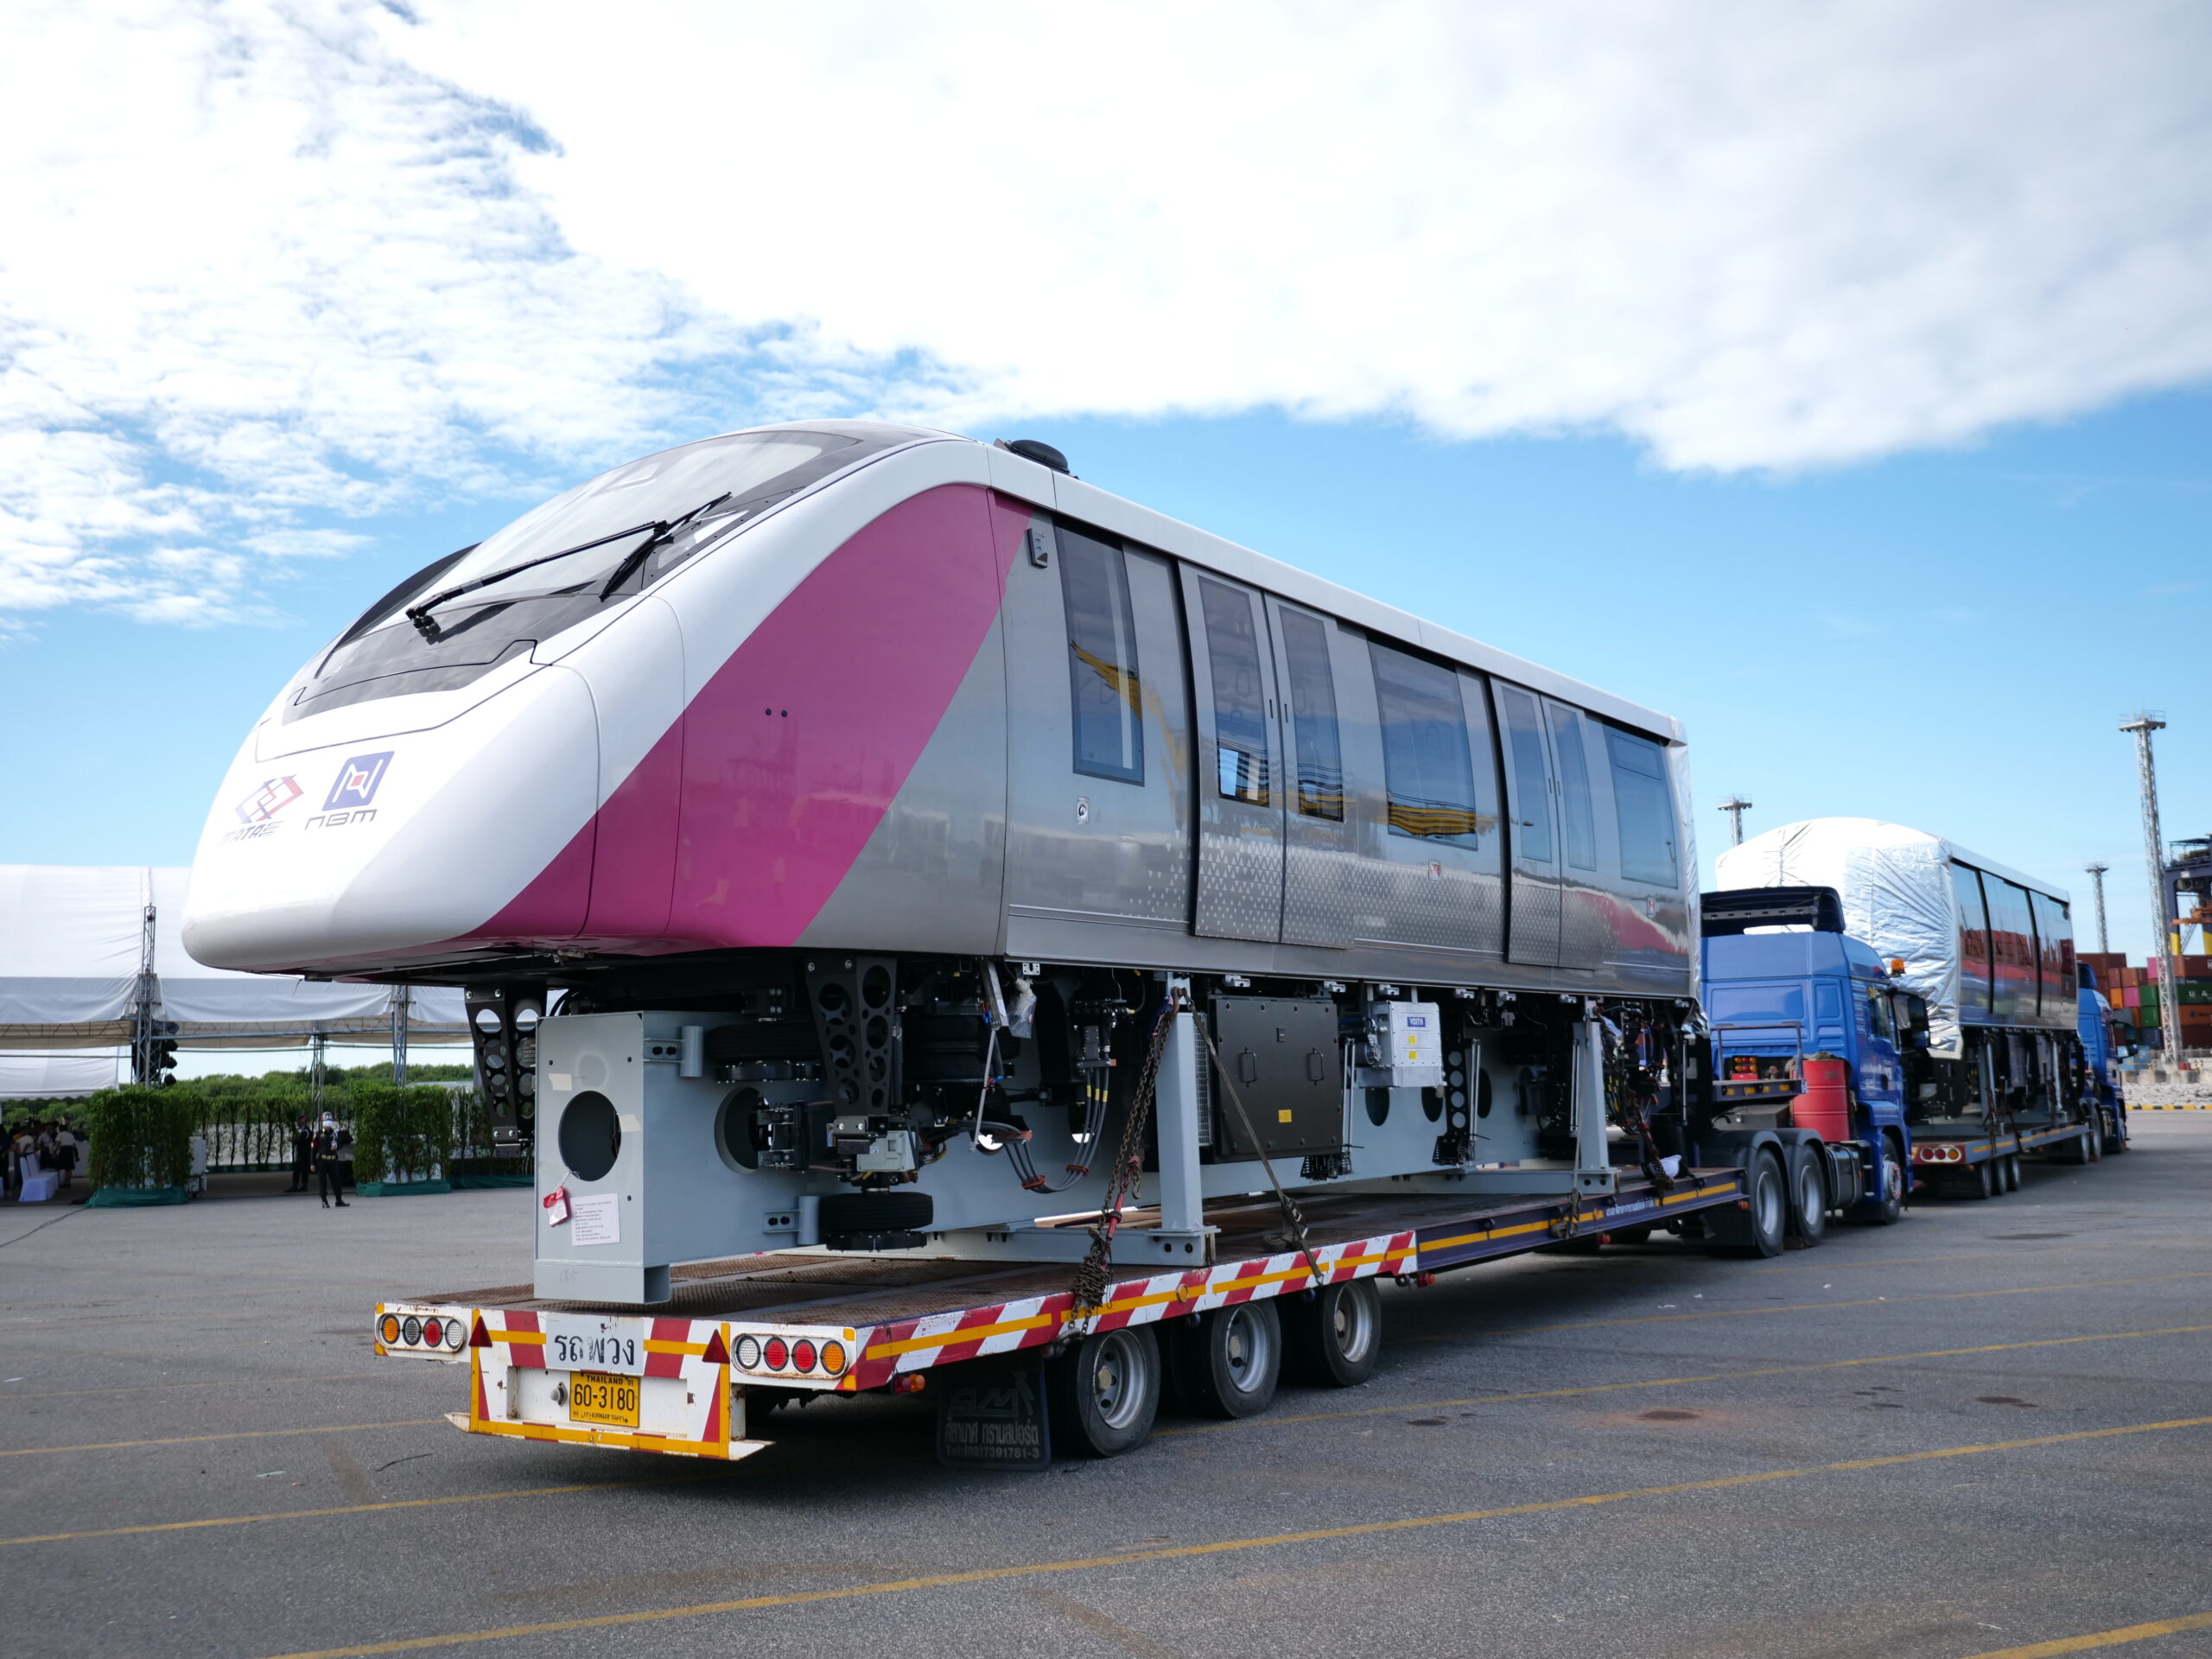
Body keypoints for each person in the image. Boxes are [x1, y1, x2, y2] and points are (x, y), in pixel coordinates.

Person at [315, 1113, 348, 1208]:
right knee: (322, 1181)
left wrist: (337, 1146)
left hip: (332, 1160)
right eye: (326, 1122)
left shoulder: (336, 1133)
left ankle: (339, 1199)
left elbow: (342, 1142)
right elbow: (314, 1149)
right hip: (322, 1161)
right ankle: (324, 1201)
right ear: (323, 1122)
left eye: (329, 1122)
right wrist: (312, 1163)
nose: (328, 1125)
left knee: (336, 1180)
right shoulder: (318, 1134)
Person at [289, 1118, 314, 1193]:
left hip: (302, 1154)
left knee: (297, 1170)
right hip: (306, 1153)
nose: (298, 1123)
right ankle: (304, 1185)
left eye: (300, 1121)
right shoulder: (308, 1131)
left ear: (303, 1122)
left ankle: (295, 1185)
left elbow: (301, 1142)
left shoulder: (305, 1131)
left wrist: (293, 1140)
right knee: (304, 1170)